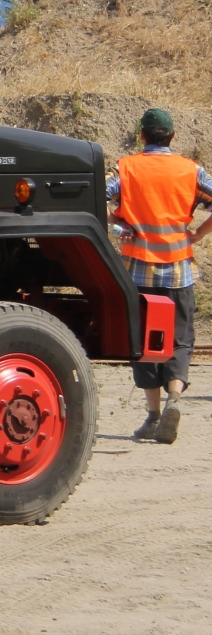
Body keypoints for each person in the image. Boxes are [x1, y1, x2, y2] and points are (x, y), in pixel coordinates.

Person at [108, 107, 212, 443]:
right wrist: (198, 234)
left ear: (142, 135)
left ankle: (152, 416)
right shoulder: (191, 170)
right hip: (179, 269)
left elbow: (91, 195)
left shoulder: (125, 168)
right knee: (180, 338)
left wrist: (117, 224)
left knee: (143, 342)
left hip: (138, 270)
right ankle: (175, 399)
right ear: (172, 137)